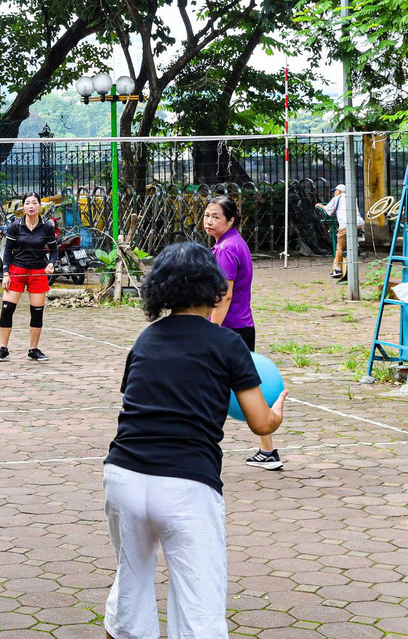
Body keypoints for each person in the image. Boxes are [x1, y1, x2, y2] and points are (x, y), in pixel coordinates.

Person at [102, 241, 286, 639]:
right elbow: (260, 423)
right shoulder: (227, 344)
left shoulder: (146, 339)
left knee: (130, 589)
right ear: (214, 287)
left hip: (124, 476)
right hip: (187, 484)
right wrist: (277, 412)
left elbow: (139, 399)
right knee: (199, 604)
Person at [203, 195, 280, 470]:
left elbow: (224, 296)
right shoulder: (233, 243)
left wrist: (210, 330)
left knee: (213, 390)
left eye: (216, 217)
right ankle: (267, 451)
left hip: (229, 328)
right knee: (249, 389)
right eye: (207, 215)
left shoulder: (226, 249)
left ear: (231, 220)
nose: (209, 221)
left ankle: (203, 450)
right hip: (240, 327)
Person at [0, 192, 57, 363]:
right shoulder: (15, 226)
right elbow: (7, 251)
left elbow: (54, 250)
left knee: (37, 312)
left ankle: (33, 349)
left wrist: (51, 263)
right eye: (27, 203)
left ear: (39, 206)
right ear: (23, 206)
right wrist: (6, 273)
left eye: (34, 203)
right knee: (7, 309)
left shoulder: (47, 227)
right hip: (17, 271)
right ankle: (3, 348)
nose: (31, 206)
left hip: (37, 272)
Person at [318, 184, 365, 281]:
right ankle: (357, 244)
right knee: (352, 245)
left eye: (335, 191)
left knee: (339, 247)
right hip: (359, 223)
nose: (334, 193)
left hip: (345, 224)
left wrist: (319, 205)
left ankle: (337, 269)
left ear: (339, 191)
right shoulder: (353, 198)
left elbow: (328, 210)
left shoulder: (337, 198)